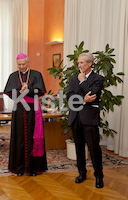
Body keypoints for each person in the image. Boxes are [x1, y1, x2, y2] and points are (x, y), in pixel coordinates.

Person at [3, 53, 47, 176]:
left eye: (23, 64)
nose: (21, 67)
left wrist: (29, 90)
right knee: (19, 138)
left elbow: (41, 91)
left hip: (33, 110)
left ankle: (33, 168)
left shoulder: (36, 74)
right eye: (19, 64)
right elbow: (9, 93)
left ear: (28, 63)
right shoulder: (13, 76)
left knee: (33, 137)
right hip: (19, 111)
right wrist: (19, 91)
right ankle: (19, 168)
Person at [67, 53, 104, 188]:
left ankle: (99, 176)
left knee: (94, 148)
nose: (79, 65)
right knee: (79, 148)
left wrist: (83, 81)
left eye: (82, 63)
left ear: (90, 64)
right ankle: (81, 173)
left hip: (89, 119)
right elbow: (69, 97)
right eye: (78, 63)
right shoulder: (73, 79)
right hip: (75, 118)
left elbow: (92, 95)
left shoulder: (98, 78)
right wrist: (83, 99)